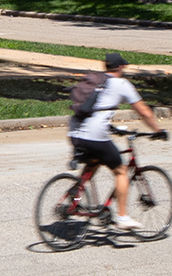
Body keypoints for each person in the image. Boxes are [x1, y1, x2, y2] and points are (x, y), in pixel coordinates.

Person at [69, 50, 165, 230]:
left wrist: (110, 127)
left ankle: (74, 194)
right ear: (120, 67)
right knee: (121, 171)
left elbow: (95, 108)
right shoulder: (121, 84)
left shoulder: (96, 80)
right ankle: (122, 216)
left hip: (75, 131)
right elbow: (143, 111)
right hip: (94, 134)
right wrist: (158, 130)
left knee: (96, 159)